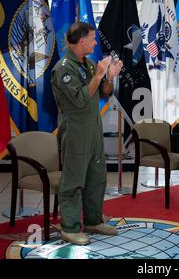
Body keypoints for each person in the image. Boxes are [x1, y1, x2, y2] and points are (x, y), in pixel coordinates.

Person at [51, 22, 123, 245]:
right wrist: (99, 75)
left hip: (93, 130)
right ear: (81, 41)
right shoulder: (63, 68)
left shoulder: (89, 64)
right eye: (92, 39)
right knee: (73, 181)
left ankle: (92, 220)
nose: (95, 42)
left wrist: (109, 77)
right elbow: (81, 99)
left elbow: (104, 93)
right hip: (75, 132)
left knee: (96, 177)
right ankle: (70, 228)